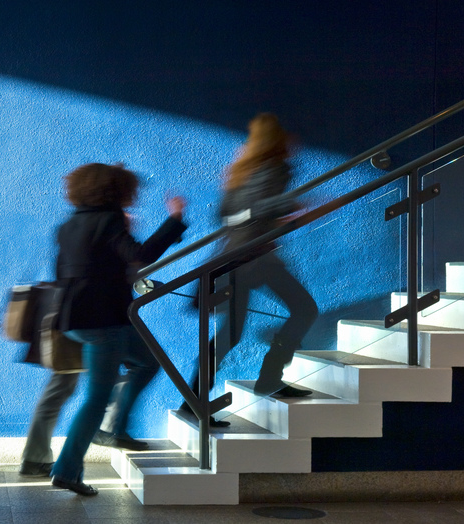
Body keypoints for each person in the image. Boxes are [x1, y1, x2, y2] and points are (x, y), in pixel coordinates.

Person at [49, 163, 187, 496]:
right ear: (116, 191)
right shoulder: (108, 221)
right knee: (95, 398)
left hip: (78, 319)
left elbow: (78, 269)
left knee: (148, 362)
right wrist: (174, 219)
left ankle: (118, 428)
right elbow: (141, 256)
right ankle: (67, 470)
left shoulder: (69, 224)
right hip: (102, 322)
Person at [181, 113, 318, 420]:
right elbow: (256, 209)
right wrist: (295, 205)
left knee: (231, 334)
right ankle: (267, 379)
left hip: (239, 256)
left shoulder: (241, 170)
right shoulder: (275, 168)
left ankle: (195, 400)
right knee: (303, 309)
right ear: (278, 140)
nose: (294, 141)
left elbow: (225, 215)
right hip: (251, 258)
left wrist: (283, 213)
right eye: (287, 136)